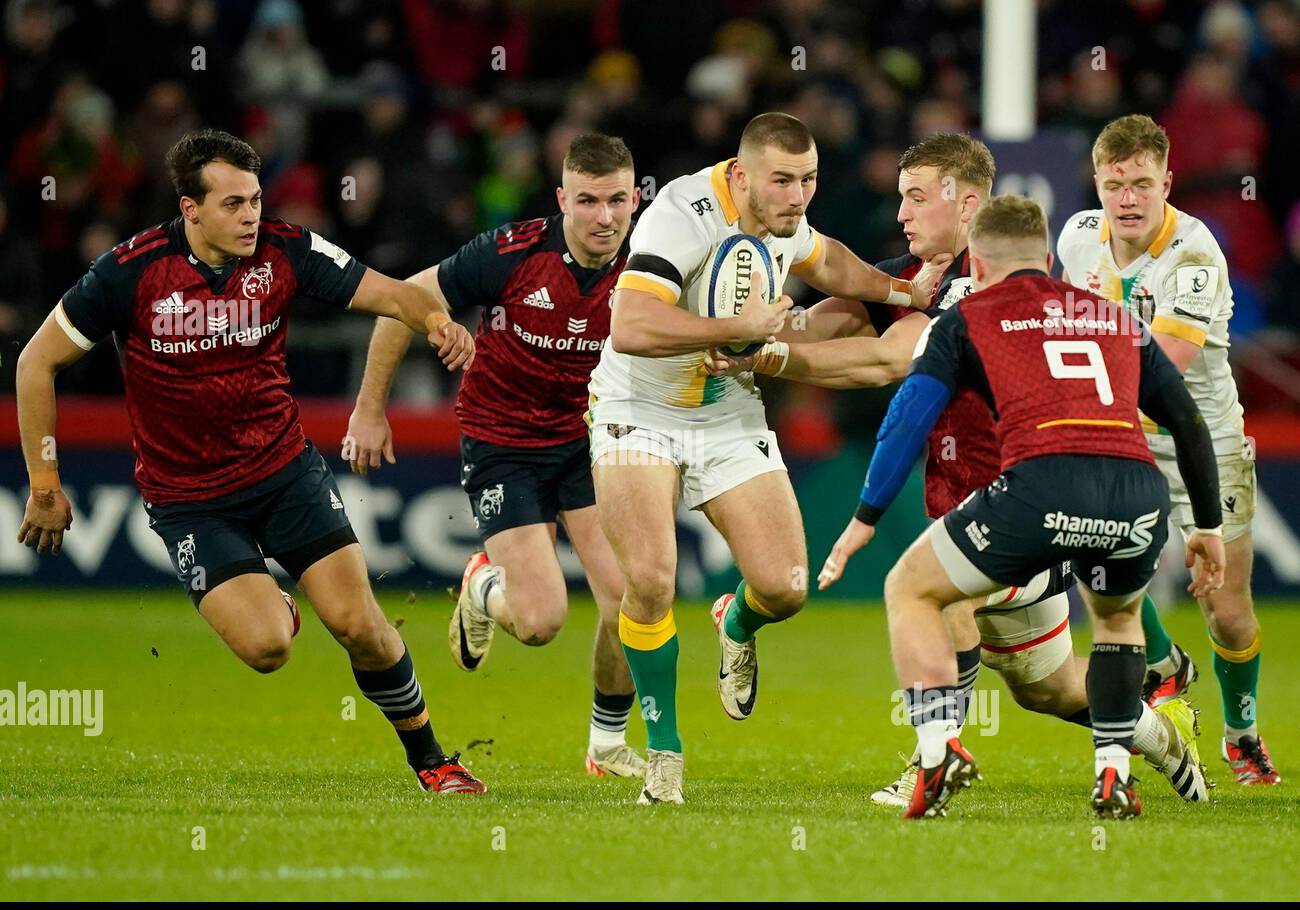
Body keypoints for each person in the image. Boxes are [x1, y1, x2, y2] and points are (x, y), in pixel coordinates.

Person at [711, 133, 1207, 807]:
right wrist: (734, 333)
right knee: (1049, 689)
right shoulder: (918, 284)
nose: (904, 213)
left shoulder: (1000, 294)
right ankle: (1155, 733)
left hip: (1023, 504)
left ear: (967, 202)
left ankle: (934, 759)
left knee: (936, 597)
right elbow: (823, 322)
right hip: (1008, 507)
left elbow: (887, 365)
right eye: (900, 199)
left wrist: (762, 360)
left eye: (917, 196)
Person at [15, 129, 485, 795]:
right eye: (233, 203)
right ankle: (280, 608)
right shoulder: (130, 271)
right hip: (189, 499)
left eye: (256, 200)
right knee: (268, 647)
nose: (250, 216)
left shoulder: (284, 250)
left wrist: (438, 323)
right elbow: (38, 362)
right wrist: (44, 480)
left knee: (359, 625)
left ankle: (434, 761)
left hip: (284, 473)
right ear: (190, 209)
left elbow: (396, 293)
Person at [818, 195, 1225, 819]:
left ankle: (935, 751)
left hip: (1039, 489)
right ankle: (1120, 767)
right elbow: (1189, 423)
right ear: (1047, 258)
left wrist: (865, 518)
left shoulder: (967, 317)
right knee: (1083, 657)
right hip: (1135, 494)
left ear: (974, 263)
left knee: (915, 589)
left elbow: (908, 419)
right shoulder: (1114, 318)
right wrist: (1207, 527)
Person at [590, 111, 939, 805]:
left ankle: (735, 621)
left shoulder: (786, 218)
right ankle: (664, 751)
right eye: (783, 180)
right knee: (653, 577)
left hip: (726, 409)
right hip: (640, 407)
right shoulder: (679, 215)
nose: (798, 195)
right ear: (742, 174)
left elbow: (825, 258)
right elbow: (628, 327)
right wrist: (739, 329)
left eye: (809, 179)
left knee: (784, 586)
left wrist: (902, 291)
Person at [346, 132, 647, 779]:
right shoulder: (512, 254)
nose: (604, 216)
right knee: (541, 622)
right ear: (564, 198)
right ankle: (484, 584)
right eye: (589, 200)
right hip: (502, 439)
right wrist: (371, 408)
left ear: (635, 200)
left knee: (630, 596)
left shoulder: (651, 267)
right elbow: (402, 302)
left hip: (590, 440)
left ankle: (605, 742)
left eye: (618, 200)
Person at [1058, 114, 1278, 785]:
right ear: (1096, 181)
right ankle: (1164, 663)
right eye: (1114, 182)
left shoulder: (1194, 254)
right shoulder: (1074, 239)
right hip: (1120, 436)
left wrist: (1108, 306)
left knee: (1229, 611)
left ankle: (1241, 729)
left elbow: (1168, 366)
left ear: (1167, 183)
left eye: (1142, 184)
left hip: (1198, 441)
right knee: (1085, 556)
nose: (1127, 198)